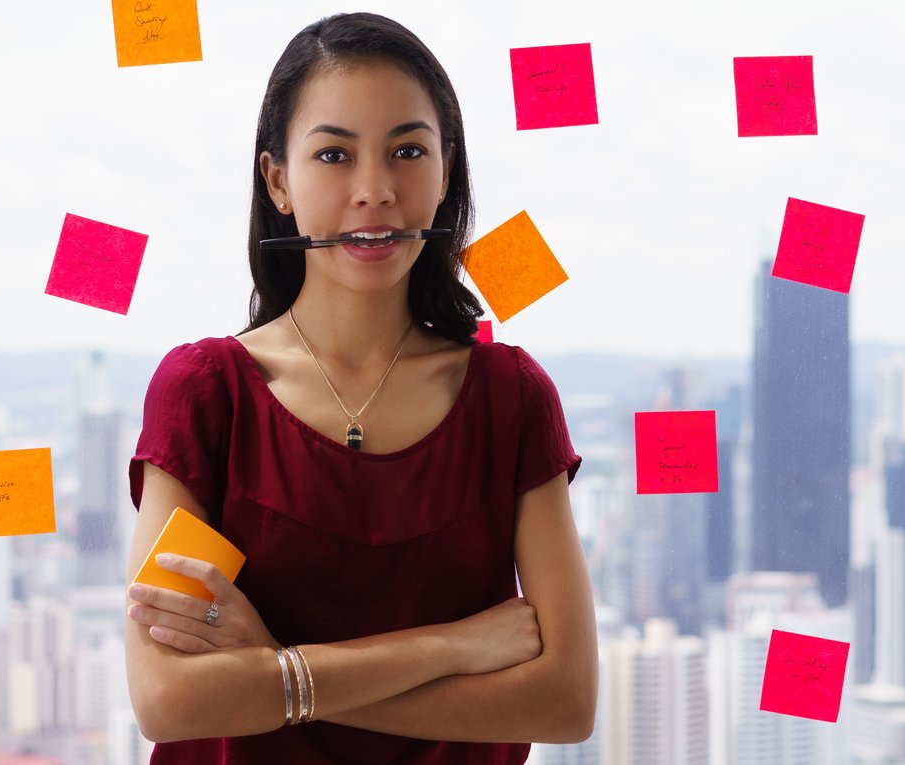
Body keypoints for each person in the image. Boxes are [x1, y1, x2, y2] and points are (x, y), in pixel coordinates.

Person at [122, 12, 597, 763]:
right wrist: (456, 644)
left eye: (408, 150)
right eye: (334, 155)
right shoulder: (206, 395)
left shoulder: (512, 398)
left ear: (446, 173)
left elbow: (566, 699)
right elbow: (168, 701)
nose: (375, 190)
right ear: (278, 181)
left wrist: (274, 668)